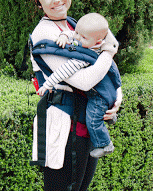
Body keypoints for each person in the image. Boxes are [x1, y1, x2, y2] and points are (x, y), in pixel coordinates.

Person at [28, 0, 122, 191]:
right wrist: (110, 50)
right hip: (63, 125)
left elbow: (107, 70)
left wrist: (116, 97)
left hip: (86, 120)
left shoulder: (74, 25)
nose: (56, 0)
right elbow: (85, 81)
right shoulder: (44, 34)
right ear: (39, 3)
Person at [37, 12, 121, 158]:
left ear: (97, 42)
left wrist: (47, 84)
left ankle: (105, 144)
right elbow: (72, 33)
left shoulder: (83, 57)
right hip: (110, 90)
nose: (76, 38)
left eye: (82, 37)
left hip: (99, 95)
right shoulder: (99, 44)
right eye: (77, 33)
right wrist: (64, 36)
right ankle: (110, 118)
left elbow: (64, 71)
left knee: (93, 120)